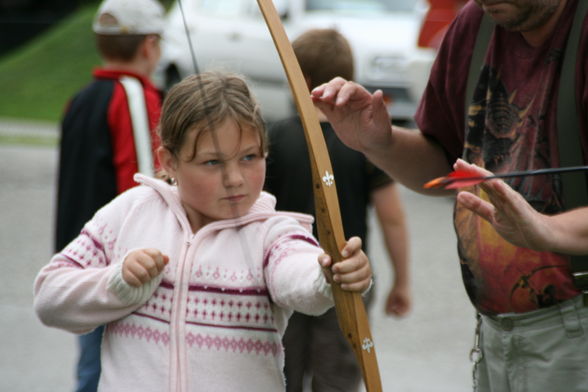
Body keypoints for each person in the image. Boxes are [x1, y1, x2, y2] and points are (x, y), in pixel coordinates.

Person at [34, 71, 373, 392]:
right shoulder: (132, 210)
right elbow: (50, 297)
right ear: (168, 161)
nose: (235, 178)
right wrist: (118, 284)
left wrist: (328, 275)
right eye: (213, 162)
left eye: (250, 157)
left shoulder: (273, 233)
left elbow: (299, 277)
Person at [311, 0, 588, 390]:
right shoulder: (476, 23)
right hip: (494, 330)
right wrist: (380, 143)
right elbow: (445, 165)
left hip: (577, 329)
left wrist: (544, 230)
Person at [264, 28, 411, 392]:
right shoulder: (365, 143)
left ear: (306, 80)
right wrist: (401, 281)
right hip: (347, 279)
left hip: (284, 280)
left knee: (281, 376)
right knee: (337, 381)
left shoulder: (274, 138)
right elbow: (391, 217)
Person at [54, 0, 165, 390]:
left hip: (83, 253)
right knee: (108, 369)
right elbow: (146, 184)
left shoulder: (80, 98)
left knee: (91, 366)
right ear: (150, 46)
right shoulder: (134, 95)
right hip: (118, 264)